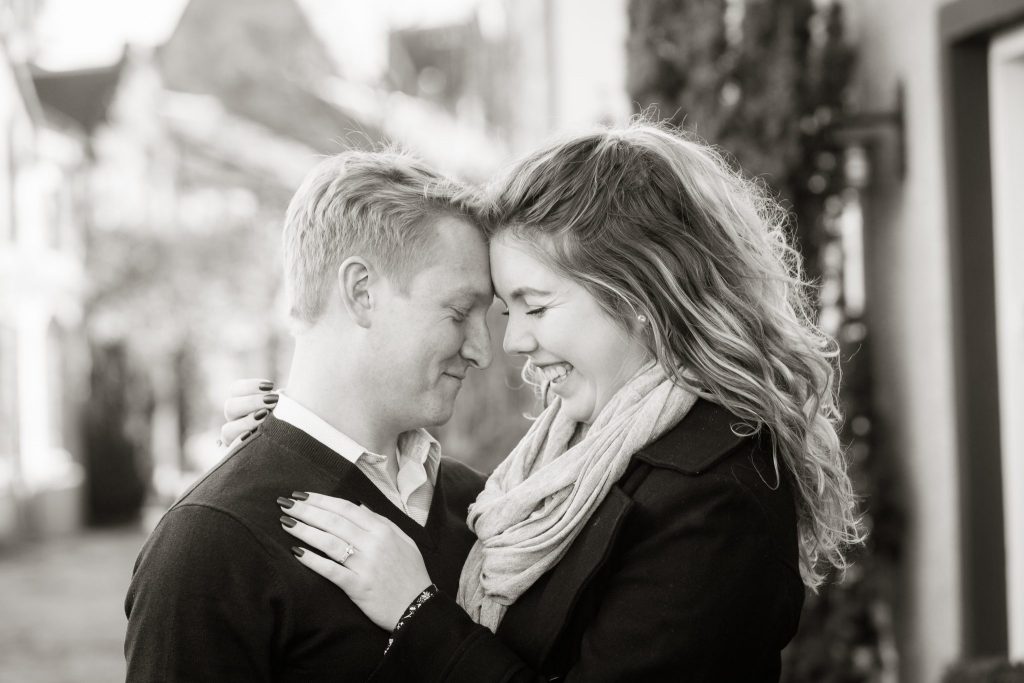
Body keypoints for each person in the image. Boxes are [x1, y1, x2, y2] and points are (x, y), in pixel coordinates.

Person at [222, 122, 863, 681]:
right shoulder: (575, 452)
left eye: (535, 306)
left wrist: (417, 612)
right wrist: (298, 443)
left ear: (636, 294)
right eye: (506, 308)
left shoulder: (719, 490)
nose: (511, 341)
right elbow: (472, 515)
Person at [124, 150, 495, 681]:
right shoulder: (209, 544)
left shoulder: (480, 505)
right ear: (361, 292)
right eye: (460, 313)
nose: (482, 349)